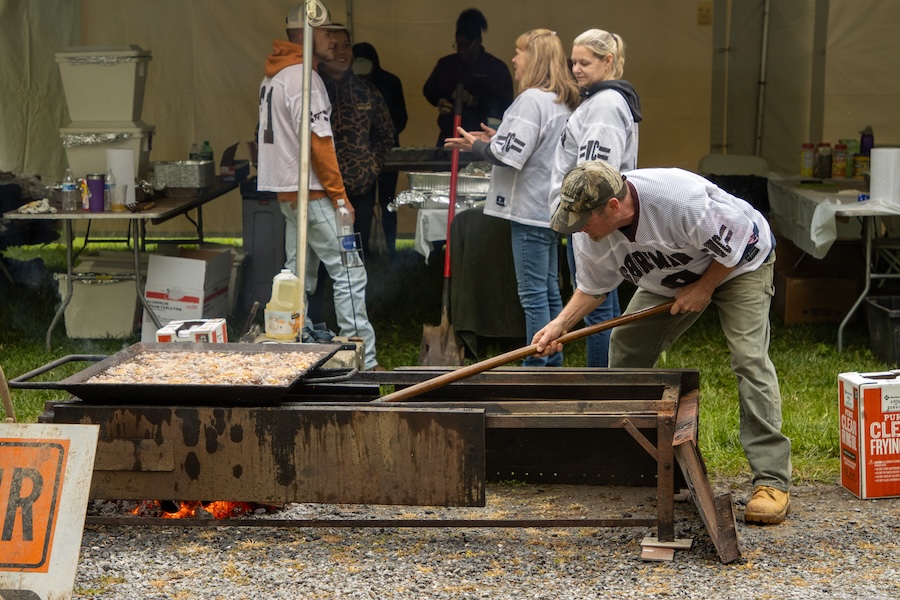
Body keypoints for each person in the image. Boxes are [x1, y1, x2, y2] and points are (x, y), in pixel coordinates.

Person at [534, 160, 792, 524]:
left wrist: (704, 287)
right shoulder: (590, 232)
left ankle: (771, 480)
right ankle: (635, 462)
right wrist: (559, 324)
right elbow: (593, 287)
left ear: (612, 206)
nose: (579, 229)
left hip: (740, 264)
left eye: (584, 221)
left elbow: (742, 238)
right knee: (626, 345)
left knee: (748, 358)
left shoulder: (678, 200)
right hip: (671, 277)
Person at [255, 4, 381, 370]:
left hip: (288, 192)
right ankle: (365, 359)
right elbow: (320, 145)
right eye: (327, 33)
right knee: (349, 271)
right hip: (312, 192)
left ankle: (294, 340)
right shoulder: (304, 79)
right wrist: (341, 197)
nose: (335, 40)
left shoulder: (276, 74)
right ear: (305, 34)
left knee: (297, 273)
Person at [444, 29, 580, 366]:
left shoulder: (531, 99)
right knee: (548, 289)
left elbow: (510, 156)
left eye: (518, 53)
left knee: (533, 294)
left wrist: (476, 145)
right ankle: (552, 361)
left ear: (533, 58)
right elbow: (532, 145)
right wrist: (497, 136)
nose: (514, 60)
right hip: (549, 209)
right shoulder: (559, 100)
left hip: (529, 211)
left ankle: (537, 365)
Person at [548, 28, 642, 367]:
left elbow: (595, 175)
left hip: (591, 217)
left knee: (597, 311)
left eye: (584, 62)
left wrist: (584, 218)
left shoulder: (604, 105)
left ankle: (603, 383)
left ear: (608, 61)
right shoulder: (598, 100)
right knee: (603, 305)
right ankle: (611, 378)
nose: (576, 69)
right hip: (589, 217)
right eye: (573, 62)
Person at [318, 28, 395, 257]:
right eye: (334, 46)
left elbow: (386, 133)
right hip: (321, 193)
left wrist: (371, 166)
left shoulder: (367, 91)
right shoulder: (311, 88)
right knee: (319, 260)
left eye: (346, 45)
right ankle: (315, 295)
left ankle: (355, 294)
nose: (342, 52)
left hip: (359, 190)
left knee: (356, 257)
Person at [422, 8, 514, 145]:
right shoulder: (446, 64)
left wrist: (475, 101)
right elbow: (429, 90)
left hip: (481, 138)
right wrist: (440, 101)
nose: (462, 51)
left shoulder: (495, 68)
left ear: (478, 41)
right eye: (458, 46)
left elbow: (505, 104)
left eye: (466, 46)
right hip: (449, 134)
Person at [353, 41, 407, 257]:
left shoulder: (391, 83)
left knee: (388, 204)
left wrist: (384, 136)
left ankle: (392, 251)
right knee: (362, 207)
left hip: (387, 155)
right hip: (360, 158)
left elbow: (402, 118)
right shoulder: (349, 85)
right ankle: (362, 252)